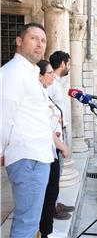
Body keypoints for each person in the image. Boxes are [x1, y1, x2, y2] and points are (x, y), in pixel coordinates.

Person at [0, 23, 54, 238]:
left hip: (38, 155)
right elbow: (4, 115)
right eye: (34, 38)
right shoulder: (13, 72)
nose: (40, 44)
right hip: (28, 157)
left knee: (31, 219)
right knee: (27, 222)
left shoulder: (30, 72)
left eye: (43, 40)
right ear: (19, 41)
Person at [37, 60, 70, 237]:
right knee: (49, 193)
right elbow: (45, 126)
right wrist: (61, 145)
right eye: (49, 73)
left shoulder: (44, 93)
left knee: (52, 191)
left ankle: (46, 230)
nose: (53, 76)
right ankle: (45, 232)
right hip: (47, 149)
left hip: (52, 149)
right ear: (40, 76)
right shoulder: (38, 95)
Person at [48, 50, 75, 219]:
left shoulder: (56, 82)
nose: (70, 67)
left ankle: (55, 202)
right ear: (63, 64)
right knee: (54, 173)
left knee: (57, 173)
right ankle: (51, 208)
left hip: (60, 132)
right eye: (69, 63)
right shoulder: (50, 83)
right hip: (53, 135)